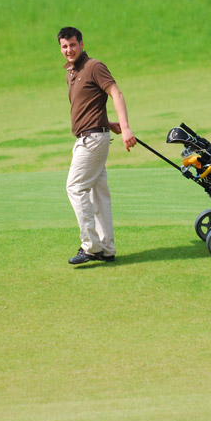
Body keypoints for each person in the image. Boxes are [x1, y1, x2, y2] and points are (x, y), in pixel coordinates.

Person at [58, 27, 136, 265]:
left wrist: (126, 128)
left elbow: (116, 93)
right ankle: (106, 247)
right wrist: (110, 124)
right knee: (98, 193)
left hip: (91, 141)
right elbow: (91, 106)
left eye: (72, 44)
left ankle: (90, 246)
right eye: (64, 46)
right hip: (93, 135)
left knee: (75, 187)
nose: (69, 50)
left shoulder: (94, 66)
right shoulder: (72, 73)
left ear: (81, 44)